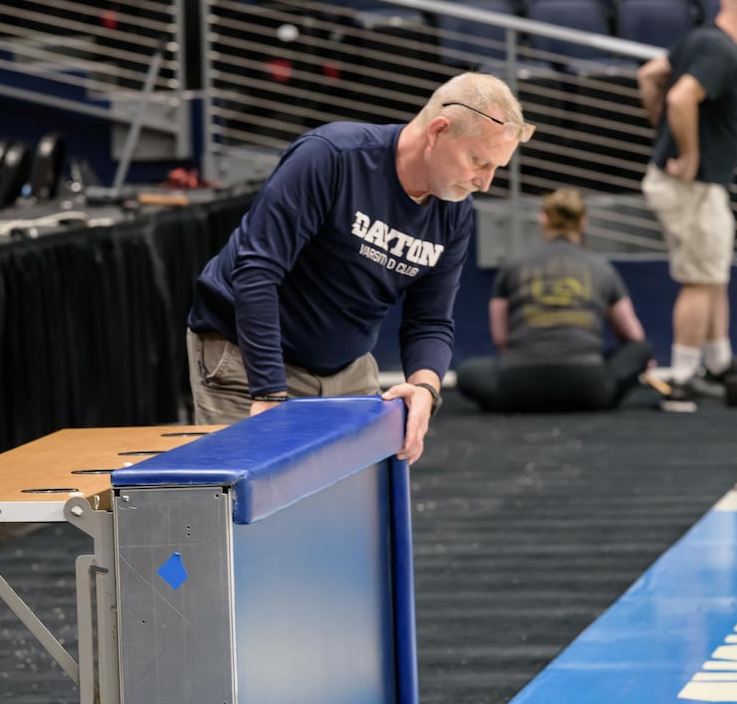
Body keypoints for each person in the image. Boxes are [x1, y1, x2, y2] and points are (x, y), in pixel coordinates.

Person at [186, 71, 532, 463]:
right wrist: (268, 393)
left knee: (351, 517)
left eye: (495, 169)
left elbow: (430, 320)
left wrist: (425, 389)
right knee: (247, 512)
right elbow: (256, 271)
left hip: (347, 369)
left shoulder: (455, 213)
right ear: (438, 131)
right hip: (248, 361)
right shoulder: (332, 156)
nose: (484, 182)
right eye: (478, 161)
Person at [636, 0, 737, 402]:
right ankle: (685, 373)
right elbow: (680, 98)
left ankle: (717, 362)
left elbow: (650, 75)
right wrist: (689, 152)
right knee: (699, 278)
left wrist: (660, 123)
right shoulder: (722, 51)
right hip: (692, 185)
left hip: (699, 187)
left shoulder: (699, 40)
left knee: (712, 273)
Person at [455, 189, 652, 413]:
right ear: (583, 222)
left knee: (469, 372)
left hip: (518, 388)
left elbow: (501, 339)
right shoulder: (602, 268)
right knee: (641, 349)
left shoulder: (513, 265)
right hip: (589, 389)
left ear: (543, 220)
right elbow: (634, 336)